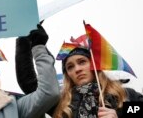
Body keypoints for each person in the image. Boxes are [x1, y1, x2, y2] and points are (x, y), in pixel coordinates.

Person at [15, 36, 143, 118]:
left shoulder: (124, 95)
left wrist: (119, 115)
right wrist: (24, 40)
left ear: (93, 65)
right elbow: (29, 83)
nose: (77, 69)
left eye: (82, 62)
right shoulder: (62, 103)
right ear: (68, 75)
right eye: (70, 67)